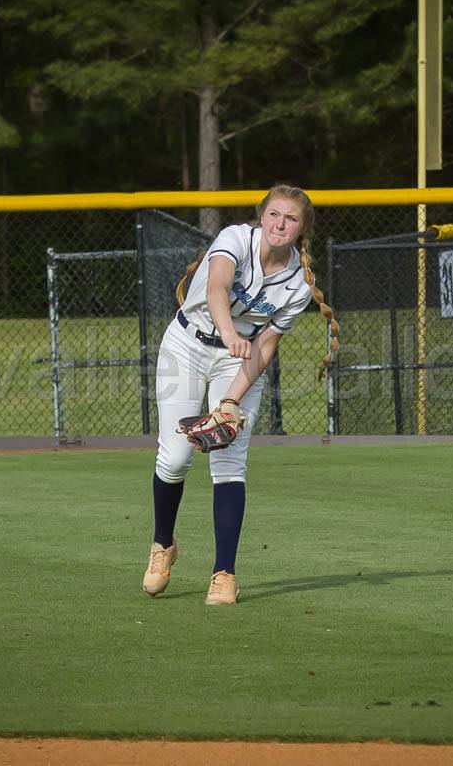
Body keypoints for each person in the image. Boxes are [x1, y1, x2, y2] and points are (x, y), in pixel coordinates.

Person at [143, 184, 340, 606]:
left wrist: (230, 399)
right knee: (175, 457)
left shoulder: (298, 285)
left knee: (228, 462)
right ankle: (162, 545)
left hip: (242, 358)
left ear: (302, 230)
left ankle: (224, 573)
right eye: (274, 214)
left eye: (291, 219)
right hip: (187, 345)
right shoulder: (236, 238)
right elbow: (217, 289)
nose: (279, 224)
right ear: (262, 216)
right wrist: (230, 333)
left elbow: (266, 346)